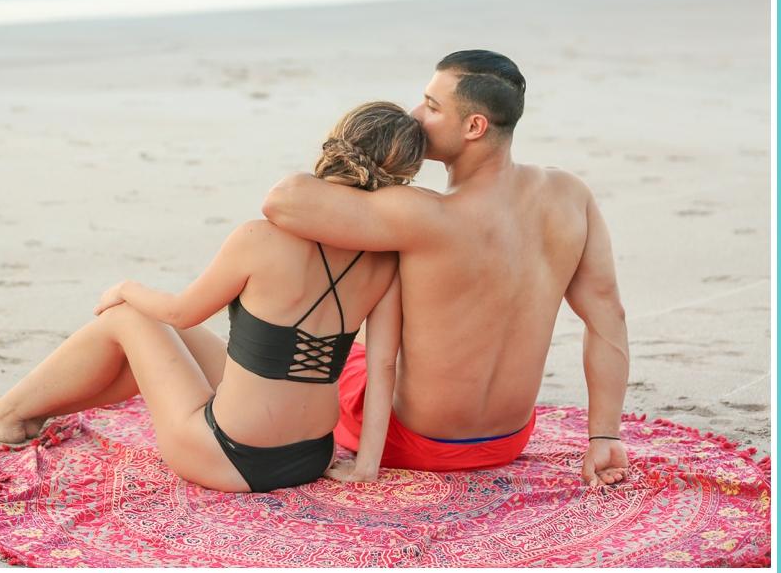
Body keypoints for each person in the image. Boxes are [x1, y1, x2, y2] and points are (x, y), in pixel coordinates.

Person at [0, 102, 426, 493]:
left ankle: (3, 414)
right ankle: (32, 410)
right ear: (403, 176)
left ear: (336, 144)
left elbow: (179, 310)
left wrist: (125, 287)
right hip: (310, 456)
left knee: (131, 319)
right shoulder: (386, 259)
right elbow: (383, 366)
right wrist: (366, 466)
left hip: (229, 457)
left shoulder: (261, 236)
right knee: (172, 340)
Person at [262, 50, 631, 488]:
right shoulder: (572, 195)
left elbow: (282, 200)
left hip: (414, 441)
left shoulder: (422, 214)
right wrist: (604, 435)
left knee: (348, 347)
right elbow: (608, 316)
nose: (415, 117)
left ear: (475, 126)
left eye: (432, 108)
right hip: (508, 440)